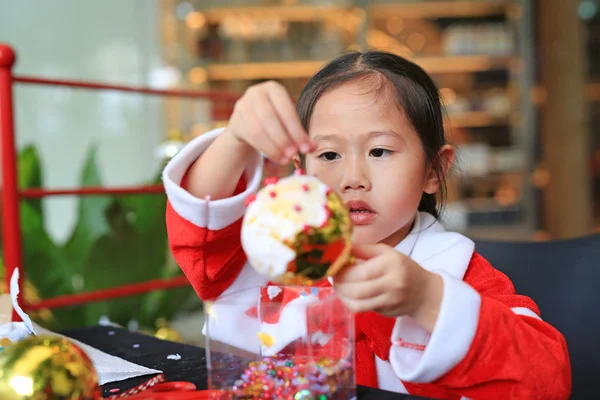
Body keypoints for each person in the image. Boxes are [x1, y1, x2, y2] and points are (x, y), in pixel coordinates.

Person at [162, 51, 571, 399]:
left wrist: (428, 301)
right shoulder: (273, 253)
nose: (353, 177)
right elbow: (204, 223)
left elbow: (547, 378)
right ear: (300, 170)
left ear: (434, 170)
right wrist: (236, 137)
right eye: (328, 155)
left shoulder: (453, 272)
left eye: (379, 150)